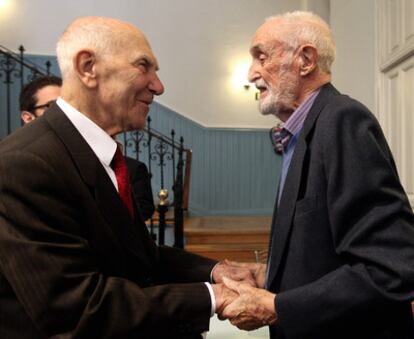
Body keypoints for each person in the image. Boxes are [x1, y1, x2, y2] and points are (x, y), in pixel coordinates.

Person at [0, 16, 254, 338]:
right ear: (88, 67)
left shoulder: (102, 157)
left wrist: (217, 270)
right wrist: (215, 297)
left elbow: (141, 258)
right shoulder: (24, 164)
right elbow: (76, 310)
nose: (158, 86)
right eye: (143, 66)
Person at [220, 11, 414, 339]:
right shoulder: (304, 130)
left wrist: (277, 307)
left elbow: (391, 266)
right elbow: (325, 249)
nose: (252, 73)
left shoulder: (342, 120)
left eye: (261, 57)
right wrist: (272, 274)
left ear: (306, 59)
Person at [19, 75, 156, 221]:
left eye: (67, 107)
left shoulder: (91, 163)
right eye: (52, 107)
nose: (63, 115)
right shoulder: (16, 162)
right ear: (28, 117)